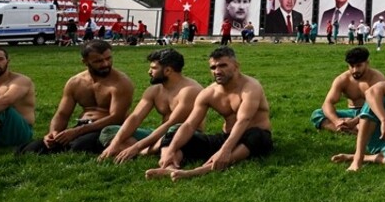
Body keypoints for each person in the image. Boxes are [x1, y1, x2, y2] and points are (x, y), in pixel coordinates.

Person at [146, 47, 272, 180]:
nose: (217, 71)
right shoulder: (209, 93)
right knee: (175, 131)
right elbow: (190, 125)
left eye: (223, 65)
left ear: (236, 66)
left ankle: (200, 171)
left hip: (252, 138)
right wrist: (172, 149)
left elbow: (243, 120)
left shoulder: (251, 87)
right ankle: (169, 166)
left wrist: (225, 151)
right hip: (227, 137)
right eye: (213, 67)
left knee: (257, 135)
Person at [18, 40, 134, 155]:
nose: (105, 64)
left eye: (108, 58)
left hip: (106, 129)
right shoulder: (75, 82)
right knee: (31, 149)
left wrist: (77, 131)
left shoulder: (121, 82)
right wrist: (53, 133)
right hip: (82, 126)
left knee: (78, 146)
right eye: (98, 61)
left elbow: (116, 118)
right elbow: (62, 114)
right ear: (85, 61)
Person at [97, 48, 203, 164]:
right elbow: (135, 117)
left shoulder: (189, 91)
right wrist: (114, 144)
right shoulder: (154, 90)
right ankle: (151, 150)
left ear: (167, 70)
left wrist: (136, 147)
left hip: (184, 135)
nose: (149, 72)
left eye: (153, 68)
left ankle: (142, 151)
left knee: (173, 131)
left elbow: (171, 124)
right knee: (109, 131)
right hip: (159, 134)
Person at [311, 46, 385, 134]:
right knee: (317, 114)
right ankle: (348, 129)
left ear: (367, 63)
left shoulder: (377, 78)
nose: (355, 70)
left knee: (381, 118)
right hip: (351, 113)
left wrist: (354, 121)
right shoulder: (343, 79)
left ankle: (352, 129)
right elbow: (327, 103)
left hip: (371, 113)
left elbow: (380, 105)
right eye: (351, 66)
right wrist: (337, 121)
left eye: (358, 66)